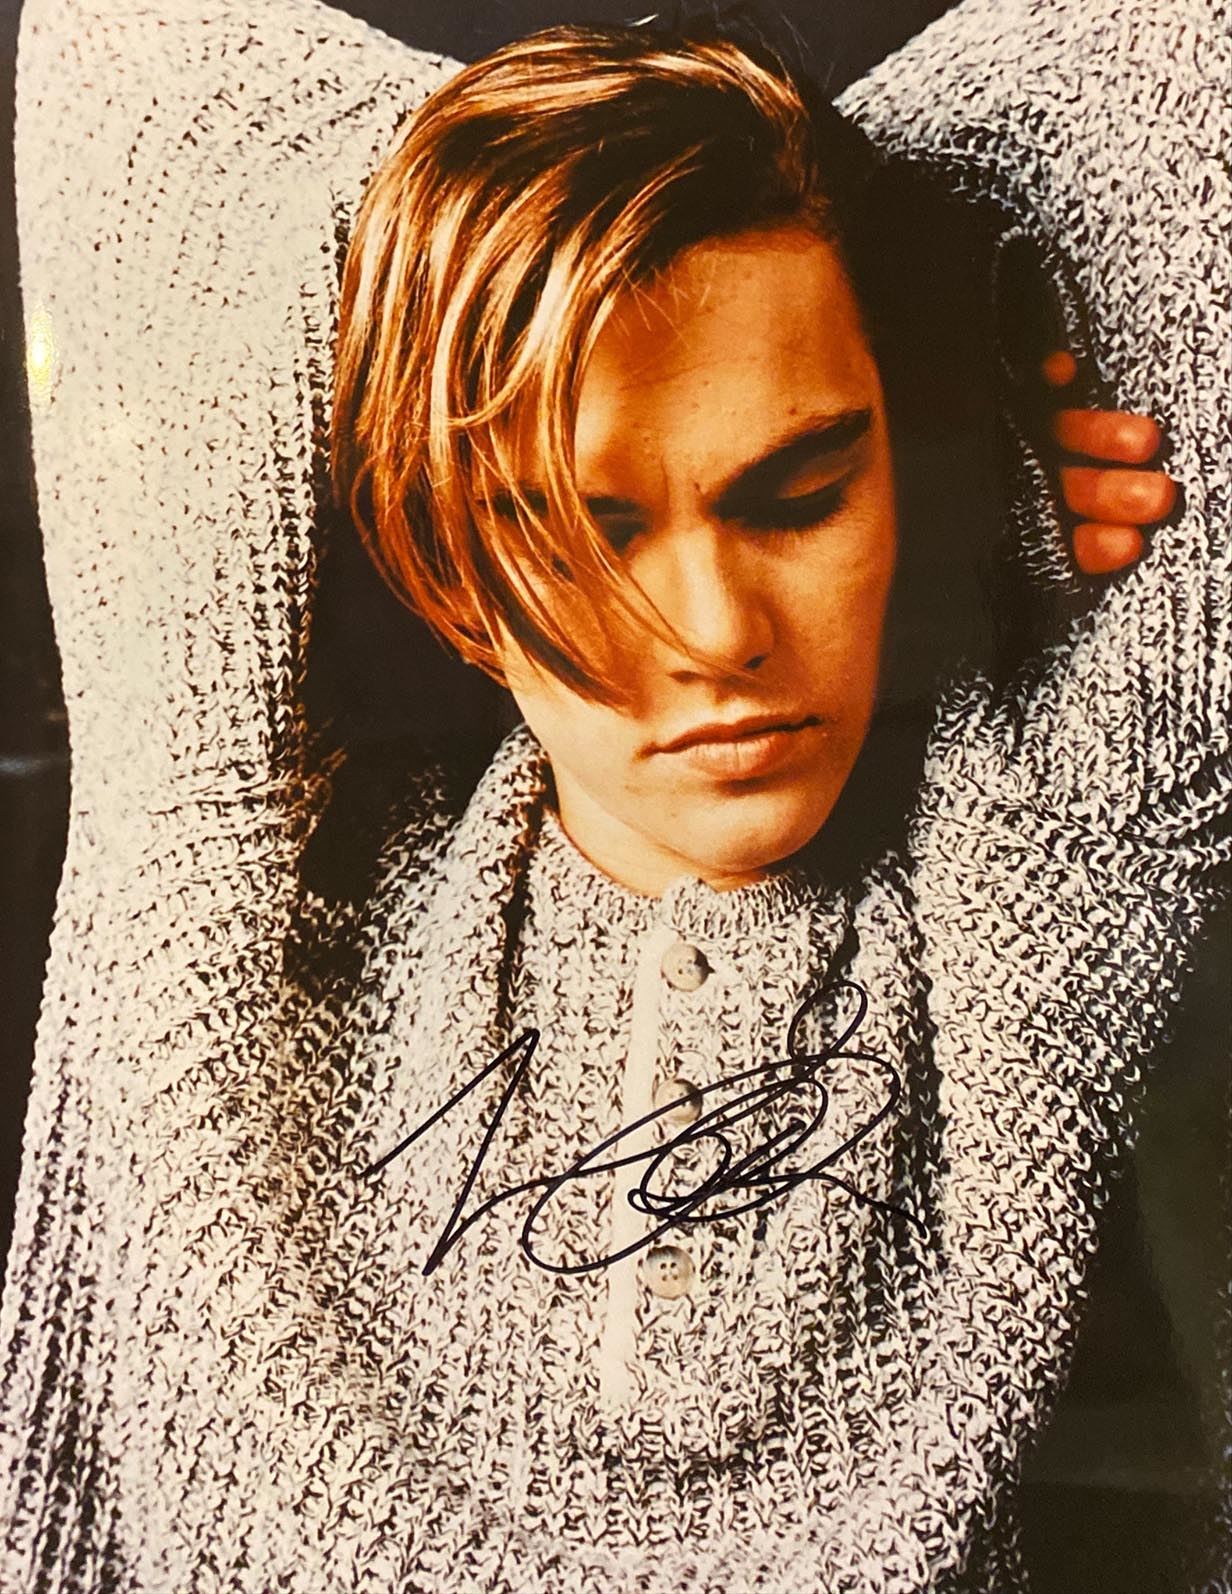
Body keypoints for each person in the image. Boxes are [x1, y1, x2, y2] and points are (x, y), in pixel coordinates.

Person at [1, 0, 1225, 1591]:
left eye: (800, 493)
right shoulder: (249, 922)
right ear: (449, 563)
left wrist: (974, 338)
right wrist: (491, 215)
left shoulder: (1037, 867)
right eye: (588, 533)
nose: (717, 633)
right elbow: (130, 72)